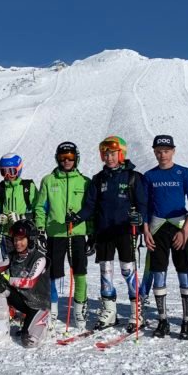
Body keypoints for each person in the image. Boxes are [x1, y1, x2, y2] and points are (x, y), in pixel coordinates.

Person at [70, 136, 148, 332]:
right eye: (106, 154)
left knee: (127, 270)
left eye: (113, 153)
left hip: (125, 230)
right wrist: (77, 217)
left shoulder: (133, 177)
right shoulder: (99, 179)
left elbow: (143, 205)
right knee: (105, 270)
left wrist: (139, 219)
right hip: (104, 231)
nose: (109, 157)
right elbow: (90, 206)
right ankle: (109, 311)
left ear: (121, 154)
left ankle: (136, 312)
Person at [142, 135, 188, 339]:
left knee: (185, 273)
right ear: (154, 151)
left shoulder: (183, 173)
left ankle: (187, 322)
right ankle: (163, 320)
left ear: (173, 151)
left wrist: (185, 231)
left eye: (166, 150)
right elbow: (145, 206)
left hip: (179, 227)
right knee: (158, 273)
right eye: (158, 150)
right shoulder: (149, 176)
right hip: (157, 229)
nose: (162, 154)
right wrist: (146, 230)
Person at [34, 142, 92, 331]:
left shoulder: (84, 182)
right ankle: (52, 309)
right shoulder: (49, 180)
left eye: (70, 157)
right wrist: (41, 229)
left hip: (77, 233)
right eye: (62, 158)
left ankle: (79, 309)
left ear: (76, 158)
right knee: (53, 273)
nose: (66, 161)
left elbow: (90, 210)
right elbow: (40, 207)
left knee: (80, 271)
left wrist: (91, 234)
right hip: (55, 233)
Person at [0, 219, 50, 347]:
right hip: (22, 301)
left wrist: (6, 278)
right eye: (15, 239)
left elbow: (29, 282)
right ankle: (1, 330)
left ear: (30, 239)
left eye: (21, 239)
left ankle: (43, 322)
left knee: (29, 343)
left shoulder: (40, 258)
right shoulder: (11, 255)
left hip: (38, 304)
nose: (17, 243)